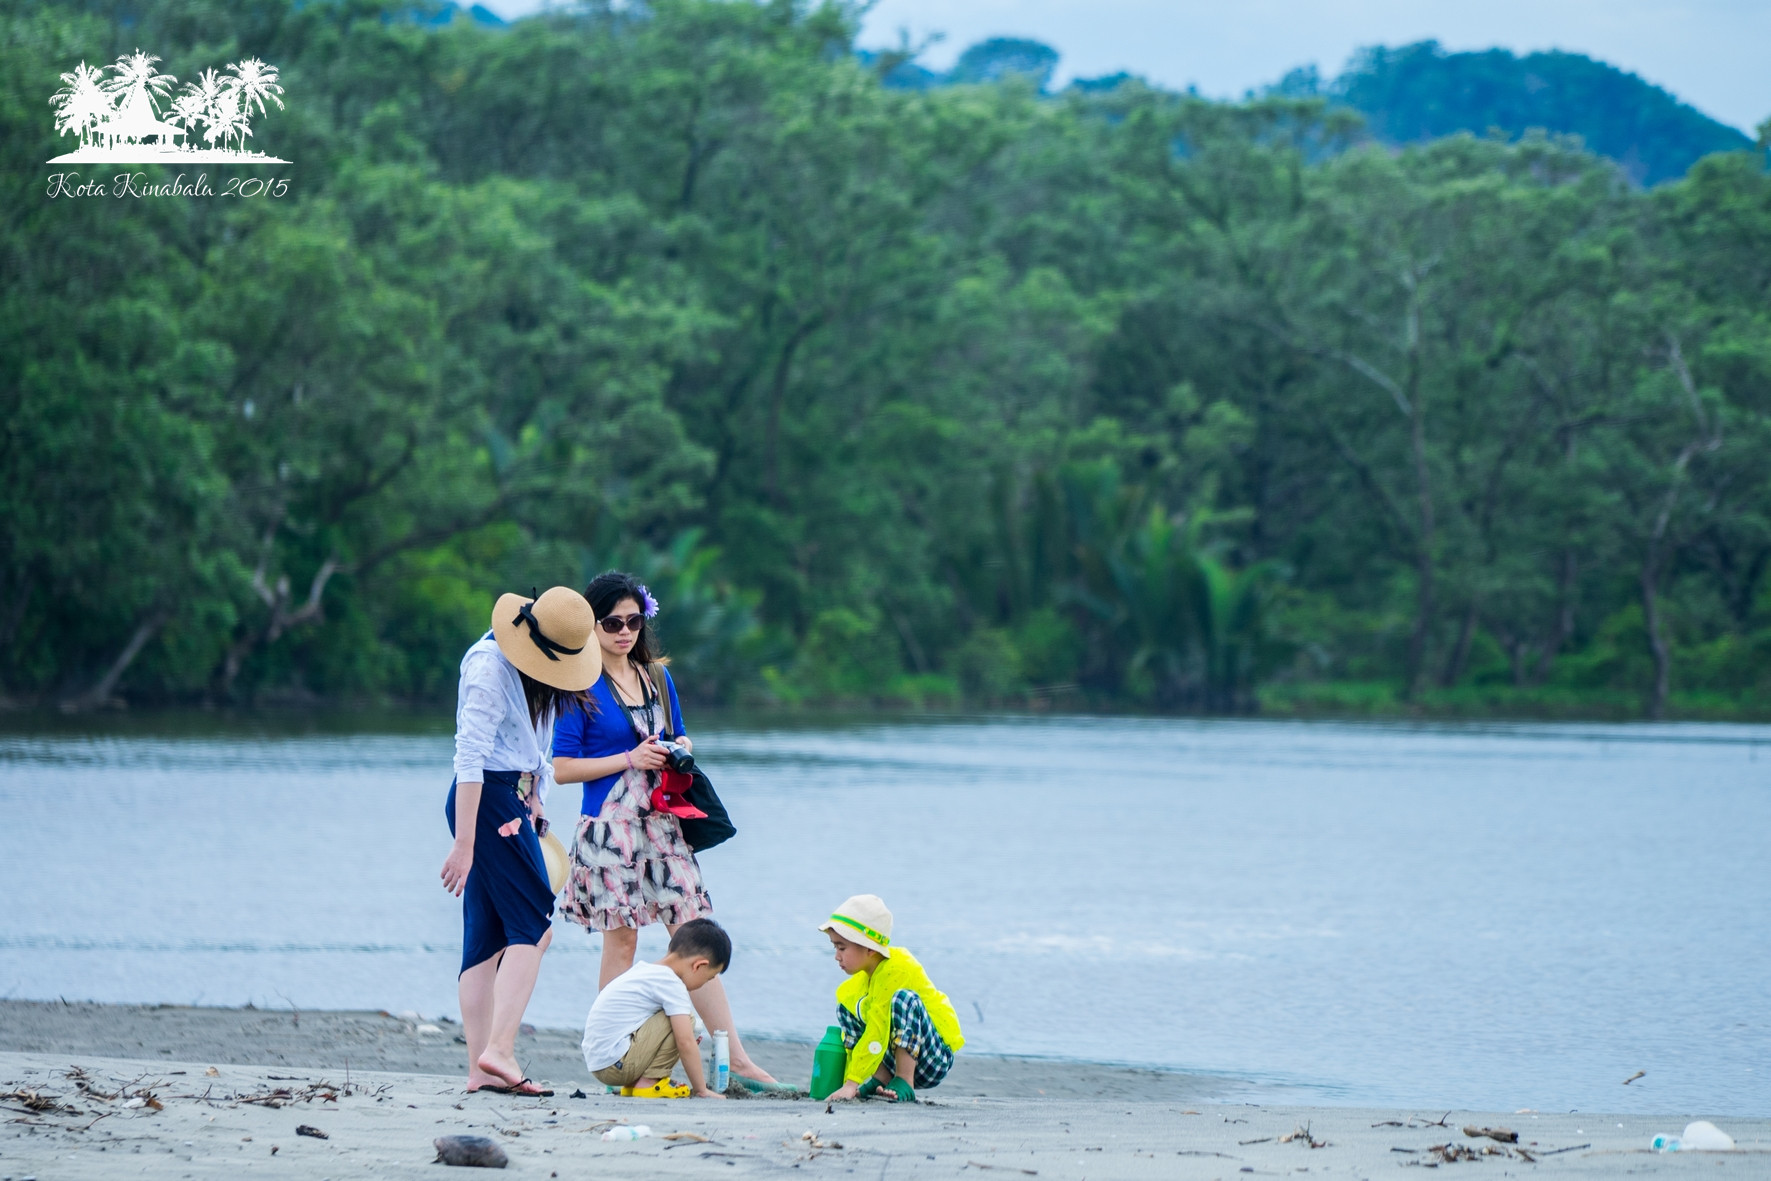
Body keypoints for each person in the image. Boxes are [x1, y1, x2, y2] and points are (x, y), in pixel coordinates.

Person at [552, 569, 777, 1084]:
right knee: (622, 942)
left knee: (693, 933)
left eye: (633, 621)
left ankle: (736, 1060)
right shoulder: (579, 686)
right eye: (612, 622)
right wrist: (628, 757)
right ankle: (615, 1054)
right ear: (591, 626)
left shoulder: (657, 676)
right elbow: (561, 769)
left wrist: (678, 749)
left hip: (663, 822)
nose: (624, 632)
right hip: (611, 826)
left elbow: (680, 736)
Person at [440, 586, 600, 1096]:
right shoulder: (489, 667)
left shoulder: (535, 675)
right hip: (484, 801)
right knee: (535, 924)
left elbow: (531, 750)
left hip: (509, 799)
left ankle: (479, 1071)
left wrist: (535, 799)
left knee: (486, 939)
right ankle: (499, 1050)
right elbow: (470, 757)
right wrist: (465, 844)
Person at [820, 894, 965, 1103]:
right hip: (891, 1058)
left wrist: (853, 1082)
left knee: (903, 999)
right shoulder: (857, 984)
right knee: (846, 1007)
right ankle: (882, 1077)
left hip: (932, 1057)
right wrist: (848, 1082)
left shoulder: (897, 968)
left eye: (842, 948)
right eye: (835, 948)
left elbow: (877, 1028)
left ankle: (905, 1079)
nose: (837, 956)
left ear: (869, 947)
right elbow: (859, 1038)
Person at [581, 918, 732, 1099]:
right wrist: (701, 1090)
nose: (704, 984)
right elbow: (685, 1042)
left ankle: (637, 1083)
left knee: (679, 1023)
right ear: (699, 966)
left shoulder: (647, 972)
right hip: (615, 1065)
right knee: (686, 1021)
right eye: (709, 978)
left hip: (602, 1063)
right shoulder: (671, 984)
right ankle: (649, 1082)